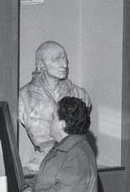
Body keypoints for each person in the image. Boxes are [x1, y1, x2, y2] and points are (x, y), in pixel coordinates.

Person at [18, 41, 91, 172]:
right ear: (41, 65)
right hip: (43, 162)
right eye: (57, 59)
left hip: (72, 162)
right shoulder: (23, 97)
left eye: (65, 59)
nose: (64, 65)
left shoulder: (80, 94)